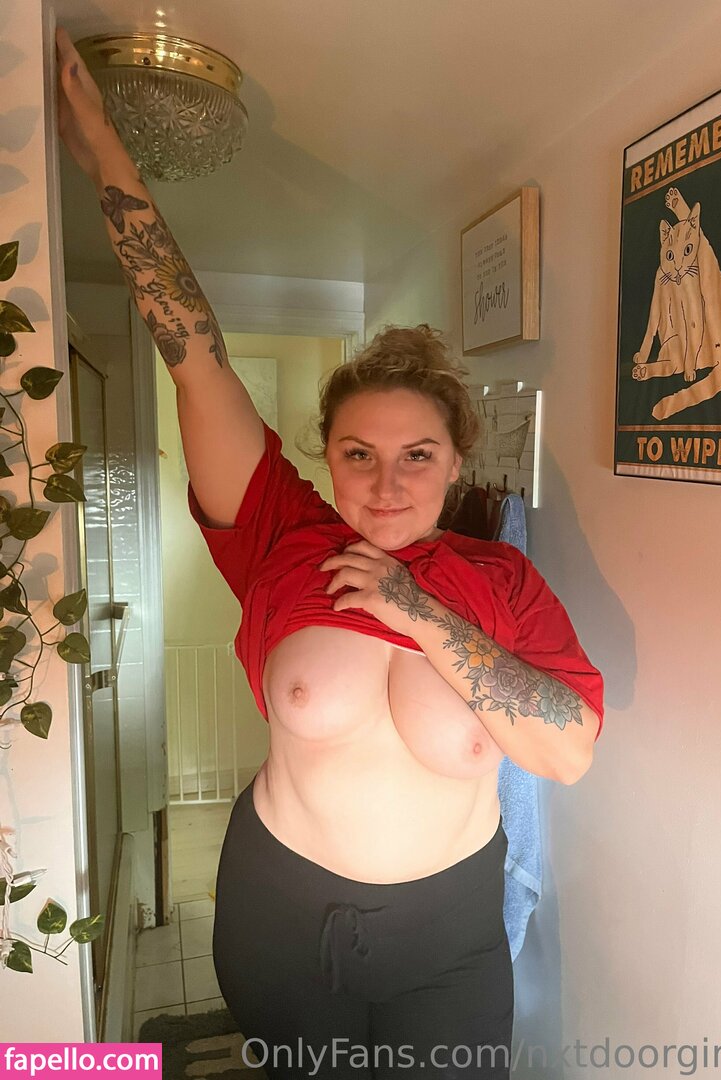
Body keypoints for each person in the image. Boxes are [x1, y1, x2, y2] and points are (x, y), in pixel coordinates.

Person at [56, 27, 604, 1078]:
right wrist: (105, 158)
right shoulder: (283, 534)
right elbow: (194, 357)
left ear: (455, 462)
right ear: (327, 455)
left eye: (416, 456)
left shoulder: (502, 582)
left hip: (449, 937)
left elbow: (567, 752)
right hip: (280, 913)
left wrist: (415, 612)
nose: (387, 483)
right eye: (360, 453)